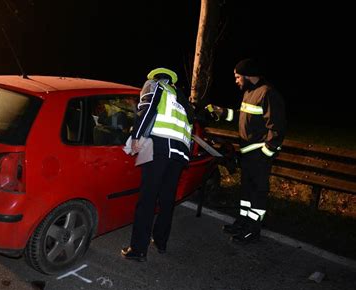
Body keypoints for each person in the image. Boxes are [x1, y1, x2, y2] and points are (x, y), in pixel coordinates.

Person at [207, 58, 286, 244]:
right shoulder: (249, 93)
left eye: (237, 77)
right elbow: (242, 116)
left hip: (258, 155)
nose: (236, 80)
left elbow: (277, 128)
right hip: (248, 154)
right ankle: (243, 222)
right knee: (246, 192)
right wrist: (222, 112)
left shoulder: (267, 93)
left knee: (258, 193)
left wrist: (265, 154)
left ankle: (253, 230)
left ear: (248, 75)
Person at [121, 67, 194, 262]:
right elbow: (191, 123)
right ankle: (161, 242)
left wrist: (136, 136)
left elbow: (147, 109)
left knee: (147, 198)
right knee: (167, 199)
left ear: (156, 77)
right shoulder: (180, 97)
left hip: (157, 147)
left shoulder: (154, 85)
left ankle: (138, 249)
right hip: (179, 154)